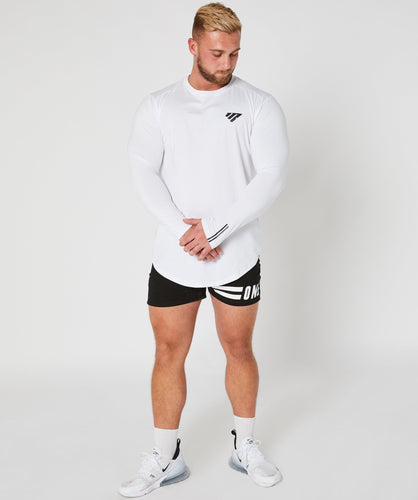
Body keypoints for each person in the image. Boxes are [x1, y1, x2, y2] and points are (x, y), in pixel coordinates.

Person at [119, 2, 289, 497]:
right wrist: (186, 232)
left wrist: (214, 230)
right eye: (217, 53)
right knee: (169, 351)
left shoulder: (259, 104)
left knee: (238, 348)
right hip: (175, 254)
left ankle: (244, 445)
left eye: (234, 54)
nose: (226, 63)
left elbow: (271, 176)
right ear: (193, 46)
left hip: (236, 253)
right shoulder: (159, 105)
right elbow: (143, 172)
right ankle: (166, 456)